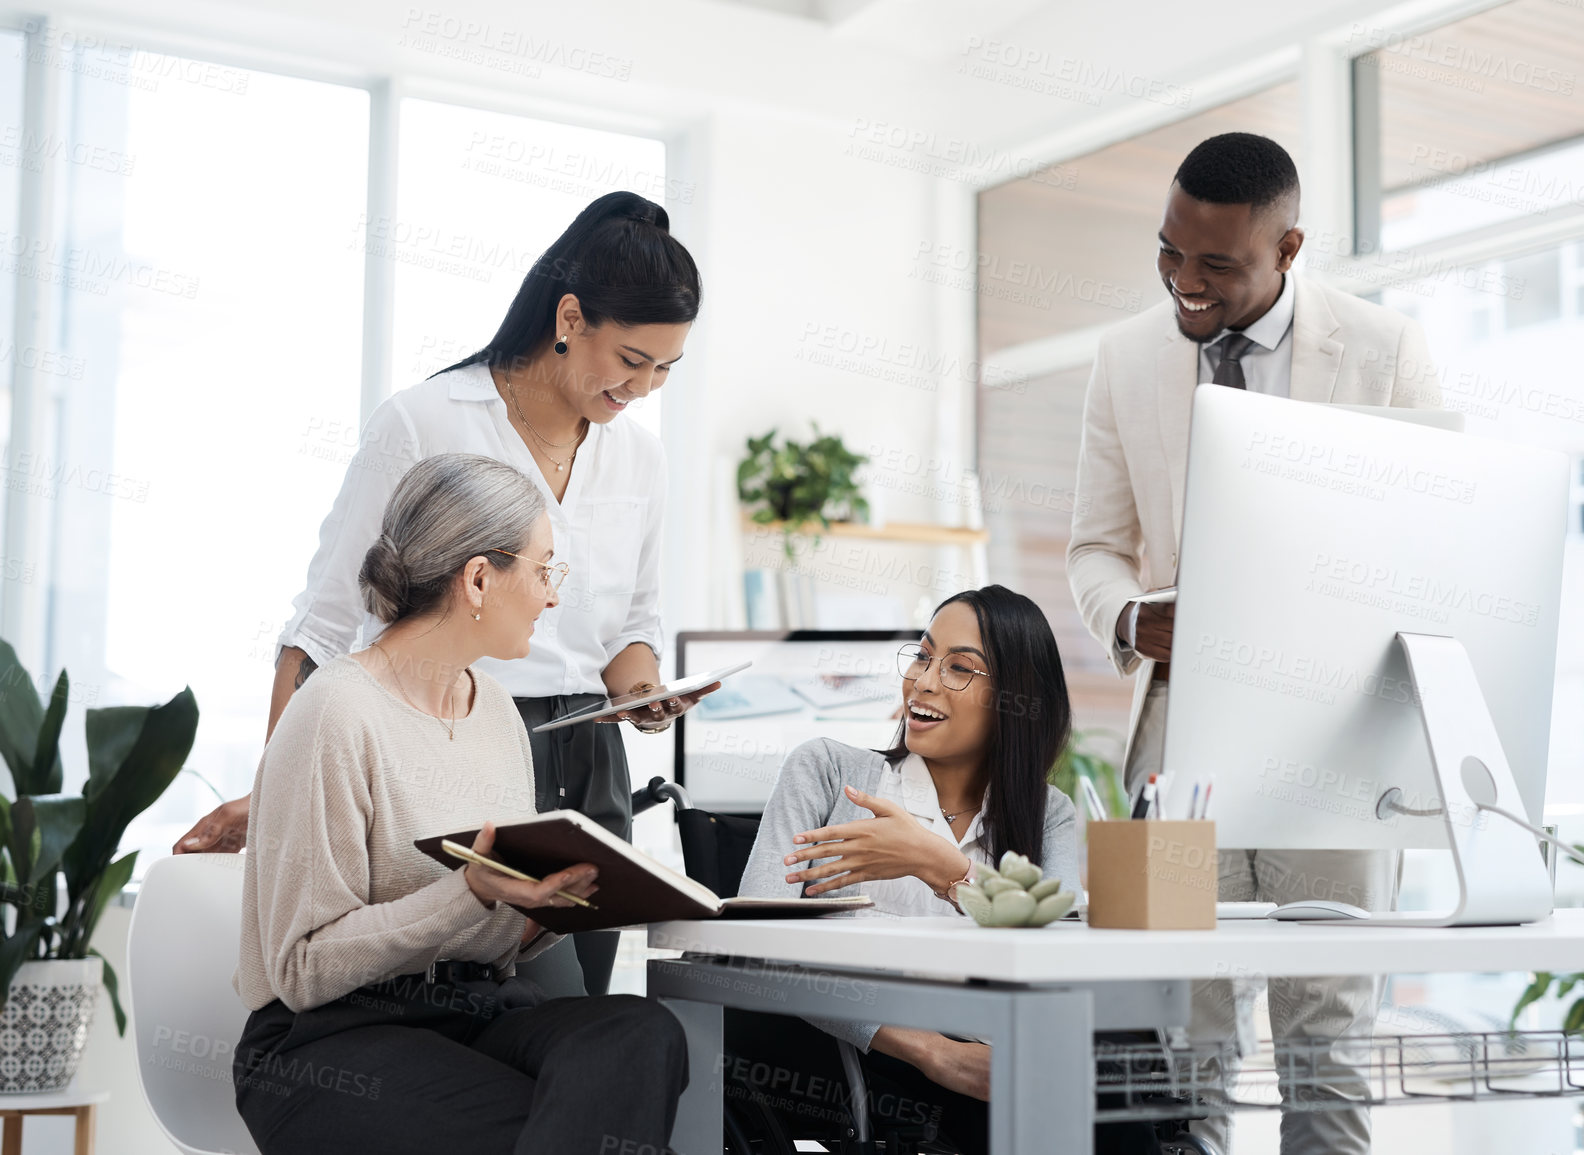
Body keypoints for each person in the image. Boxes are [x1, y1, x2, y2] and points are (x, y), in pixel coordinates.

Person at [180, 190, 713, 996]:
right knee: (462, 1000)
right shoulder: (426, 420)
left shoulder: (640, 457)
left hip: (591, 760)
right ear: (570, 317)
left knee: (576, 1019)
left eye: (665, 368)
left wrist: (642, 691)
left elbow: (629, 627)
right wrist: (283, 783)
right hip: (456, 744)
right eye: (632, 360)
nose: (643, 388)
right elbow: (324, 622)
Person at [1066, 132, 1442, 1155]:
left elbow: (1430, 540)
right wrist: (1134, 618)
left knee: (1328, 1025)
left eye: (1217, 265)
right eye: (1169, 254)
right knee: (1187, 1026)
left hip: (1337, 738)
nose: (1186, 284)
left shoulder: (1381, 350)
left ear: (1290, 248)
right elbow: (1096, 548)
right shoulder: (1128, 356)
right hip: (1184, 739)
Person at [232, 453, 686, 1155]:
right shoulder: (335, 712)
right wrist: (468, 892)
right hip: (330, 1038)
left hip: (474, 1010)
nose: (552, 596)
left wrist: (553, 907)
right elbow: (301, 971)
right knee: (565, 1127)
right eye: (543, 570)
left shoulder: (496, 710)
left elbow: (494, 938)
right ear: (478, 577)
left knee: (640, 1031)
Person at [732, 585, 1085, 1153]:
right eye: (922, 656)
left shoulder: (1050, 815)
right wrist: (936, 1053)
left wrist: (939, 865)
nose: (923, 681)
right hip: (876, 1067)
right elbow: (755, 957)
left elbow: (1057, 956)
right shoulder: (826, 772)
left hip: (1016, 1059)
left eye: (960, 668)